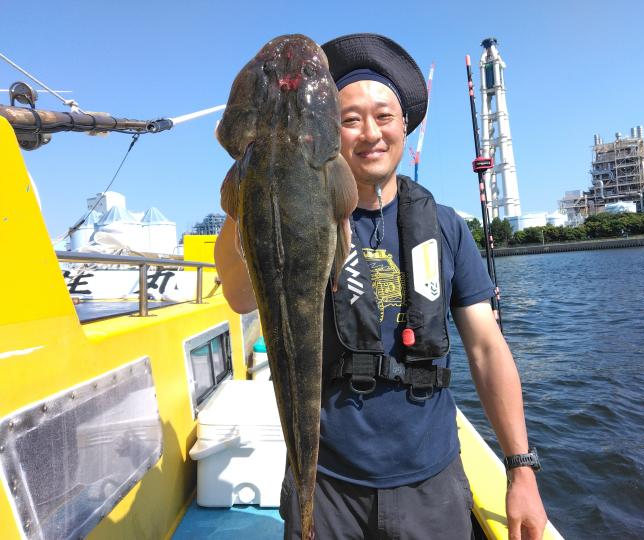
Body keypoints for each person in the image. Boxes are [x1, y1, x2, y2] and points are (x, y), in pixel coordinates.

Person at [215, 33, 547, 540]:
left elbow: (486, 348)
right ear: (325, 131)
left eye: (384, 116)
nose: (370, 132)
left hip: (430, 482)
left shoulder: (446, 226)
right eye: (350, 119)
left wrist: (520, 469)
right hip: (327, 482)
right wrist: (256, 167)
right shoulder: (294, 215)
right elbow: (239, 297)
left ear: (405, 127)